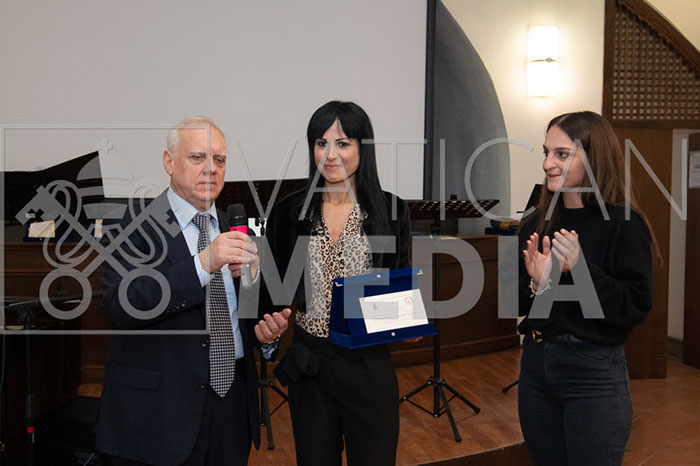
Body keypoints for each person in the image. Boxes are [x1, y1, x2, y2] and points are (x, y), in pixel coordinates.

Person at [95, 115, 291, 465]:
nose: (211, 168)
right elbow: (120, 305)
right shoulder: (132, 222)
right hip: (160, 410)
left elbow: (246, 314)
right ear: (169, 162)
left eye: (219, 159)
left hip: (231, 404)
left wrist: (265, 335)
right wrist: (203, 263)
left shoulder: (239, 230)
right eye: (197, 157)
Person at [261, 101, 411, 465]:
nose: (330, 155)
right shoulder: (287, 213)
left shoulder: (391, 211)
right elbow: (271, 295)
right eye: (321, 143)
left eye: (343, 143)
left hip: (368, 366)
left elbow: (400, 285)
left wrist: (405, 319)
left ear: (363, 148)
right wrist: (268, 330)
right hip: (309, 365)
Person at [517, 111, 654, 465]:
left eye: (562, 154)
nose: (548, 163)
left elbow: (634, 305)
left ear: (594, 158)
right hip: (536, 368)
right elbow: (516, 302)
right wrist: (538, 283)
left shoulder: (623, 223)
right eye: (546, 152)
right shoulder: (536, 221)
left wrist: (579, 269)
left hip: (592, 372)